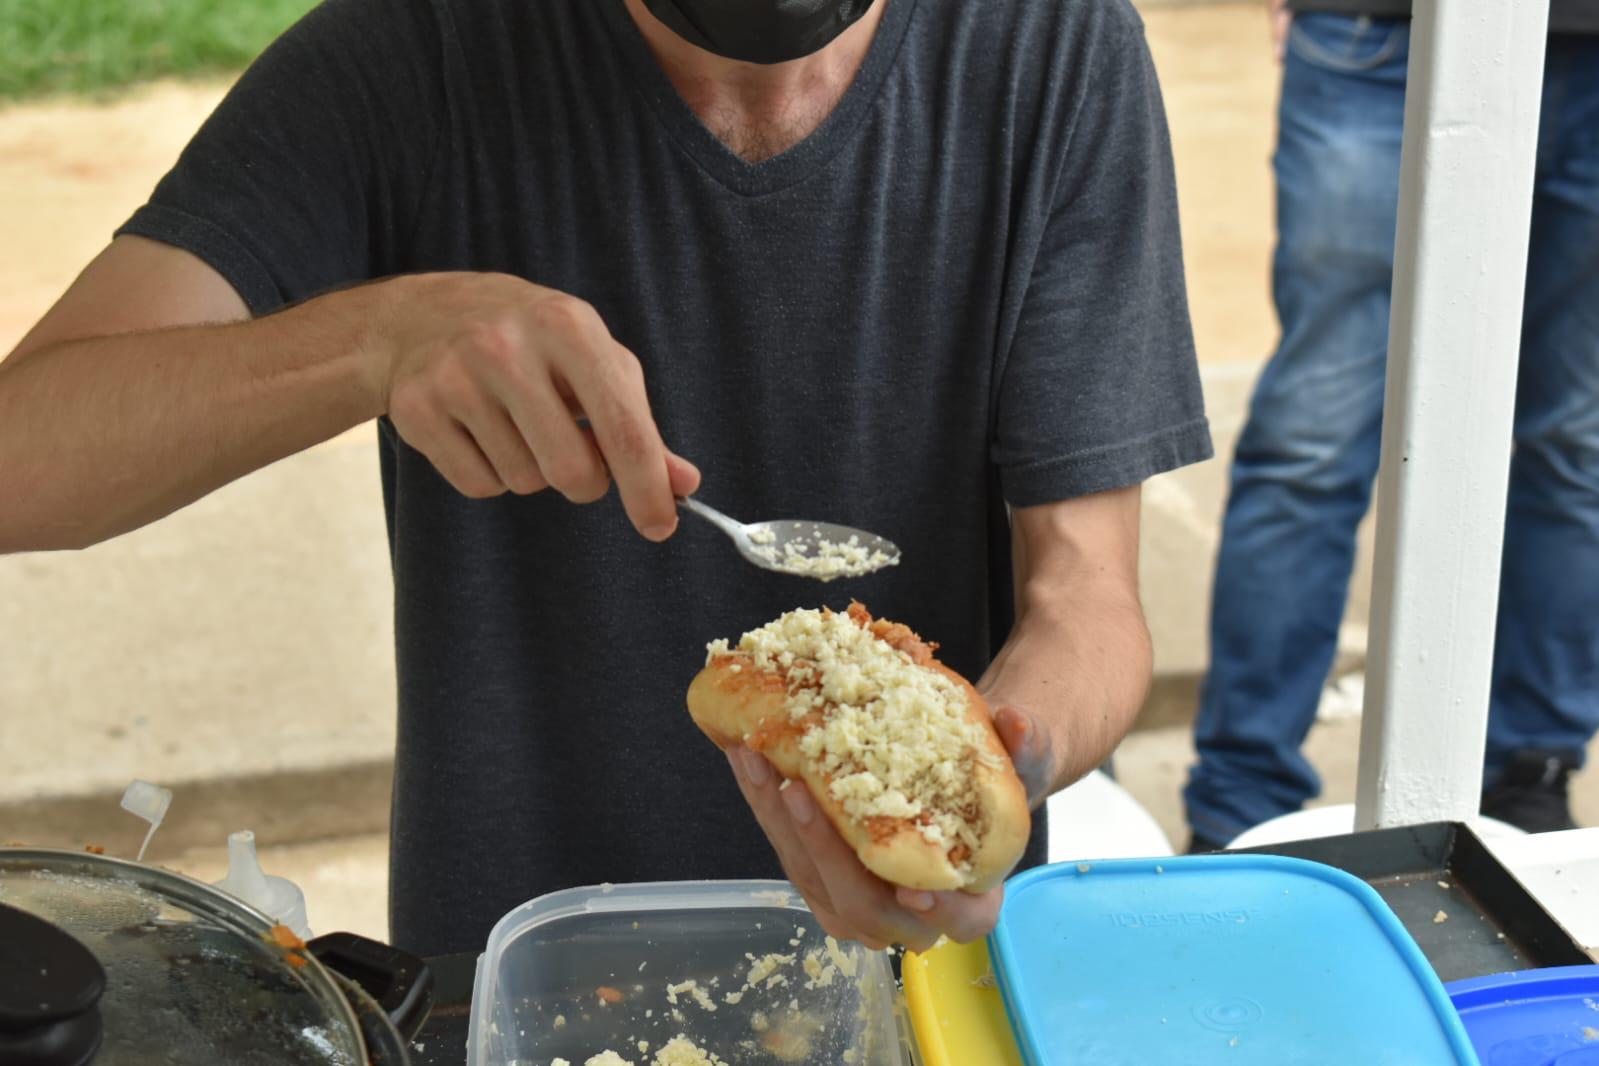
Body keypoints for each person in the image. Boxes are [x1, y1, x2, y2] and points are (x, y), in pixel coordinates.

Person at [0, 0, 1210, 957]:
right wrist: (377, 341)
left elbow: (1087, 600)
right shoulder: (416, 56)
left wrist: (982, 771)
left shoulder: (1056, 52)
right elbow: (25, 456)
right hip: (522, 970)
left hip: (926, 980)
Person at [1186, 0, 1599, 851]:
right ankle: (1240, 803)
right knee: (1314, 437)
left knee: (1573, 444)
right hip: (1381, 31)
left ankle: (1528, 777)